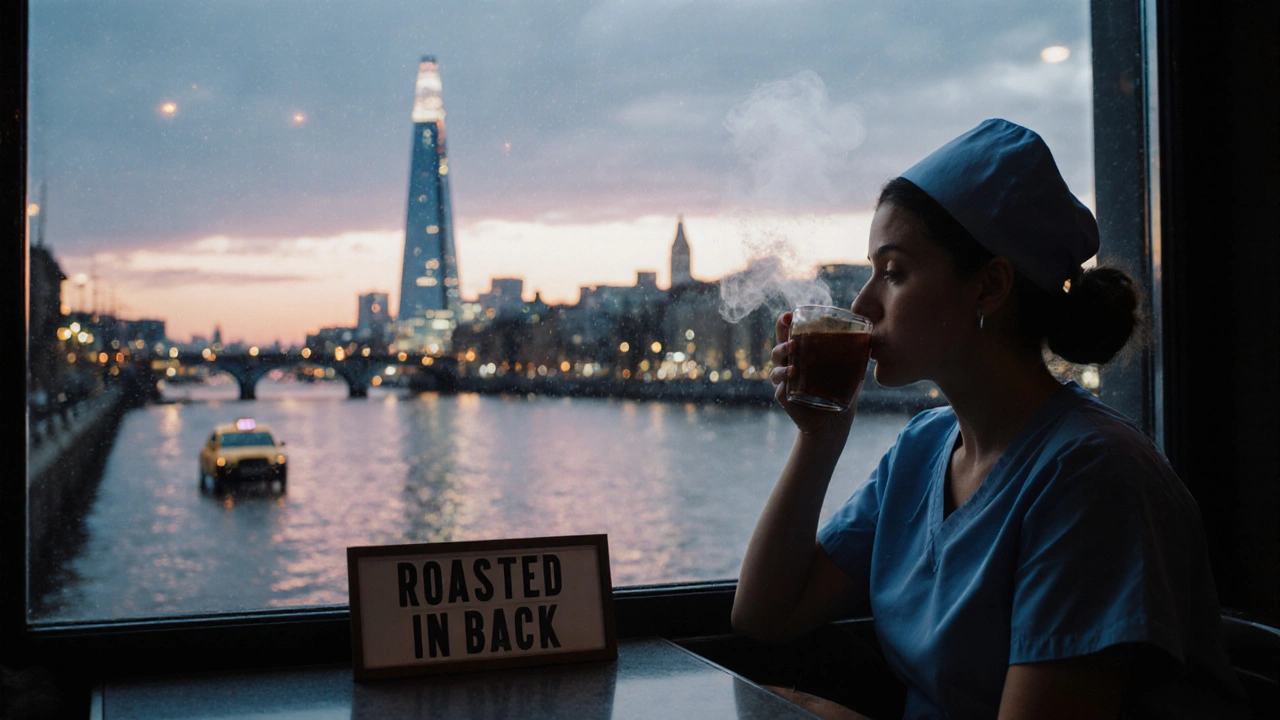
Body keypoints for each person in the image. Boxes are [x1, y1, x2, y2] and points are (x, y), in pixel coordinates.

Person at [731, 119, 1248, 719]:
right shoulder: (923, 447)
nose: (863, 305)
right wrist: (819, 438)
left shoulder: (1093, 477)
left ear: (990, 286)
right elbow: (766, 615)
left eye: (894, 272)